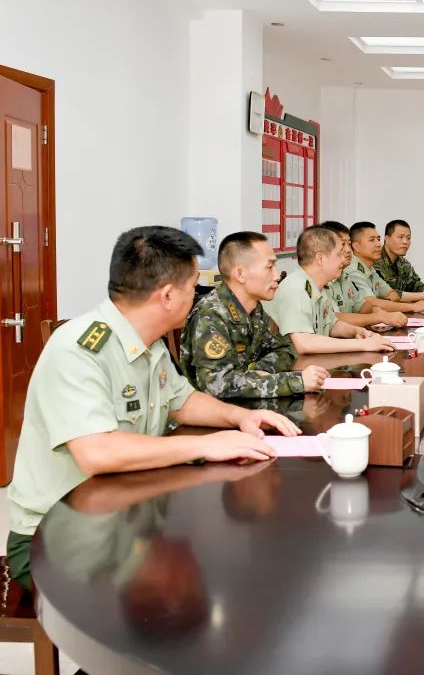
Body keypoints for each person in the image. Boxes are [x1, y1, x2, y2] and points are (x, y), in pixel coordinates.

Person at [6, 226, 299, 587]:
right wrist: (205, 445)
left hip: (127, 519)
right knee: (194, 584)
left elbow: (183, 400)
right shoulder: (79, 350)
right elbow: (96, 452)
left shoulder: (150, 342)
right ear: (167, 296)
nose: (197, 295)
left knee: (223, 563)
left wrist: (241, 417)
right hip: (58, 536)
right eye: (193, 286)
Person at [179, 231, 328, 398]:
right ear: (240, 274)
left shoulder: (254, 308)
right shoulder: (211, 315)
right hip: (212, 411)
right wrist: (294, 382)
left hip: (246, 405)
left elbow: (285, 349)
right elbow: (217, 385)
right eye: (269, 267)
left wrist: (259, 372)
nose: (277, 276)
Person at [263, 226, 394, 355]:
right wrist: (363, 345)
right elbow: (304, 343)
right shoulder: (296, 288)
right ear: (320, 258)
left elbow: (332, 325)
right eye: (339, 254)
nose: (343, 259)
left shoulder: (318, 287)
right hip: (290, 366)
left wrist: (356, 332)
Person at [318, 220, 408, 328]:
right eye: (342, 245)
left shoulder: (344, 276)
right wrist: (379, 317)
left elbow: (362, 306)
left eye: (349, 244)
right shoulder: (323, 280)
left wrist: (379, 312)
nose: (348, 250)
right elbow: (336, 319)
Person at [346, 221, 424, 315]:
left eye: (378, 239)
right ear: (356, 246)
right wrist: (412, 306)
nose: (378, 244)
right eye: (372, 240)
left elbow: (392, 294)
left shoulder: (369, 268)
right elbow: (371, 303)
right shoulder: (353, 269)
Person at [374, 219, 424, 299]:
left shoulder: (403, 262)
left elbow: (414, 284)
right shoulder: (374, 261)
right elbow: (388, 295)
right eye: (400, 237)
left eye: (408, 238)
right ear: (387, 239)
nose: (405, 242)